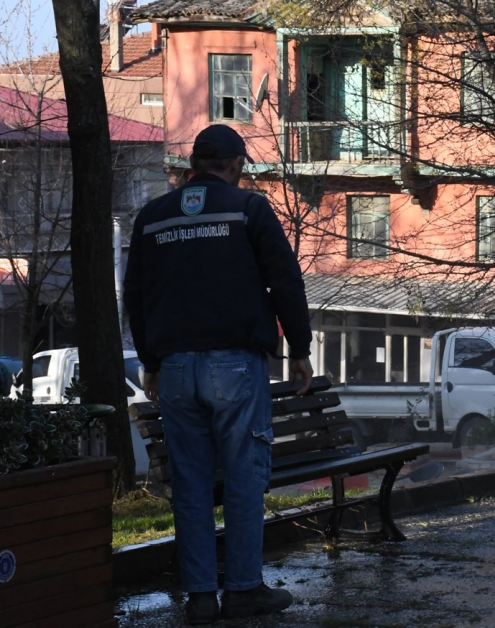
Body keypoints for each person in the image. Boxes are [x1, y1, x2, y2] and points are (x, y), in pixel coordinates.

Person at [124, 124, 314, 625]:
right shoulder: (248, 209)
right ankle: (245, 591)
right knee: (244, 479)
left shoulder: (153, 217)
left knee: (190, 484)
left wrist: (150, 361)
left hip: (177, 369)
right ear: (235, 166)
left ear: (193, 166)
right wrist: (299, 347)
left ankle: (202, 597)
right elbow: (284, 279)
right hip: (235, 365)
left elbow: (136, 296)